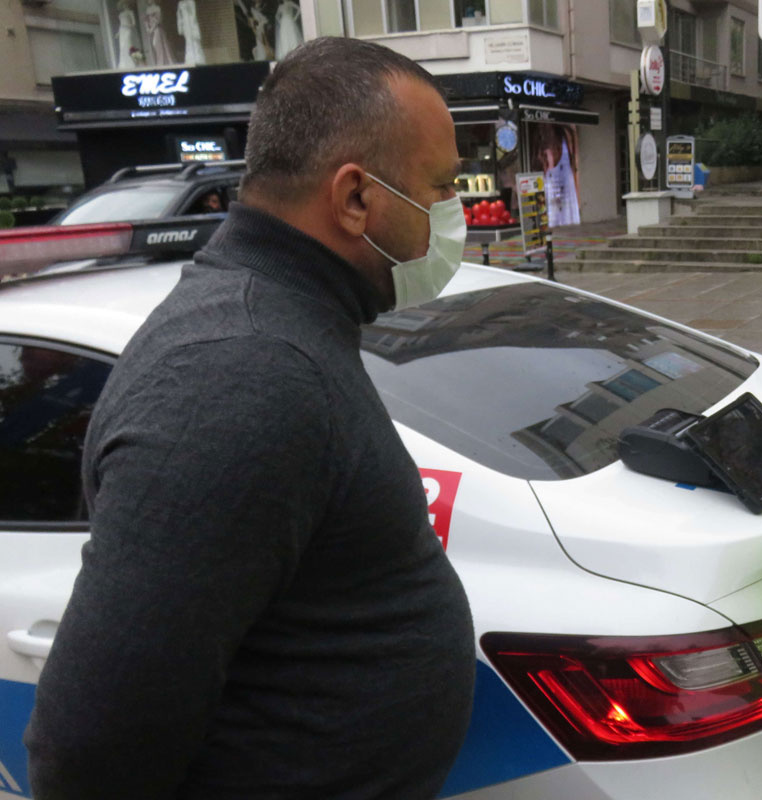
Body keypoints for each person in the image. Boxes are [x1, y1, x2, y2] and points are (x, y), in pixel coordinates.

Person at [25, 37, 475, 799]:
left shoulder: (284, 325)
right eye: (440, 188)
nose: (453, 215)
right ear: (356, 197)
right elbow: (89, 748)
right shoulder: (236, 374)